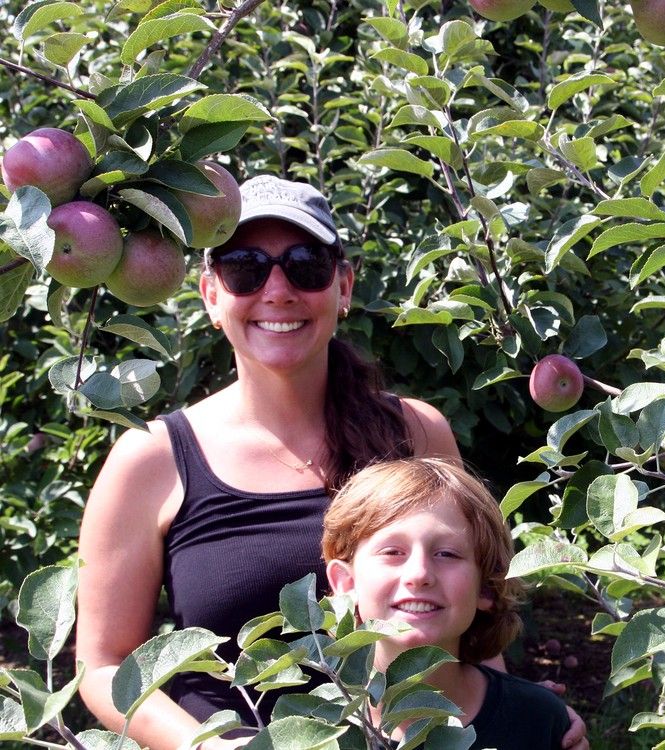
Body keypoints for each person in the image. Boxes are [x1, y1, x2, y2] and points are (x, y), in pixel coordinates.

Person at [75, 175, 587, 750]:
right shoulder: (152, 459)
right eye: (245, 266)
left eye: (305, 264)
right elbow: (104, 666)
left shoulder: (415, 431)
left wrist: (517, 721)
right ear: (211, 294)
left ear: (342, 286)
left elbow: (465, 615)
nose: (277, 289)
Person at [323, 456, 571, 749]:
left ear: (487, 589)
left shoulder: (537, 719)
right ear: (346, 583)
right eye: (392, 551)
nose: (419, 574)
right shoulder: (316, 727)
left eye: (447, 554)